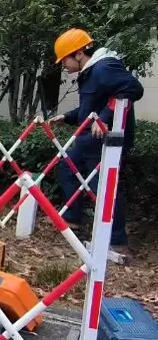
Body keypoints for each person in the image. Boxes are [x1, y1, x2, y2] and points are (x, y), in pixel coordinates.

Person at [48, 28, 144, 250]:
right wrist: (68, 117)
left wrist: (105, 118)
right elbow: (91, 108)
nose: (63, 66)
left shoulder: (104, 68)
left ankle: (116, 240)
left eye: (65, 60)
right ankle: (72, 221)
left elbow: (133, 89)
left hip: (106, 141)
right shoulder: (90, 73)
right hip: (88, 139)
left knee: (103, 186)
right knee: (67, 167)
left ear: (79, 53)